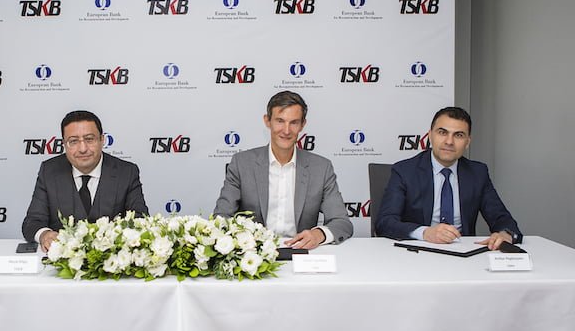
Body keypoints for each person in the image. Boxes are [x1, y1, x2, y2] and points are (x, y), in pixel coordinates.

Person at [214, 91, 353, 249]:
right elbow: (221, 217)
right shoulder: (242, 163)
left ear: (302, 125)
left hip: (301, 252)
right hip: (253, 253)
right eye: (280, 121)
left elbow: (342, 222)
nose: (286, 130)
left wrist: (318, 234)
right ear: (267, 121)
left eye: (294, 123)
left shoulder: (321, 168)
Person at [376, 106, 522, 249]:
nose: (449, 142)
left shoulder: (478, 173)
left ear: (467, 142)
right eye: (442, 132)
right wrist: (425, 233)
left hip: (463, 253)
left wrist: (505, 234)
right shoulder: (405, 171)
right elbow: (385, 222)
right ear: (430, 135)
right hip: (418, 252)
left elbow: (502, 218)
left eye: (458, 135)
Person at [22, 110, 148, 251]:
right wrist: (44, 235)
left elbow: (140, 221)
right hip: (62, 259)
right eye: (73, 141)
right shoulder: (49, 171)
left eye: (89, 139)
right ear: (64, 144)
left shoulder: (126, 172)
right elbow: (32, 222)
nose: (82, 149)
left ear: (102, 140)